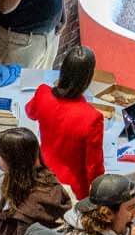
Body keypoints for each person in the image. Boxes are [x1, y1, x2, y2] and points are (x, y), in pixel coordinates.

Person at [27, 46, 105, 198]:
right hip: (72, 190)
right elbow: (94, 168)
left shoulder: (43, 92)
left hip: (41, 175)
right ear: (88, 77)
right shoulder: (92, 117)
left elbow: (30, 112)